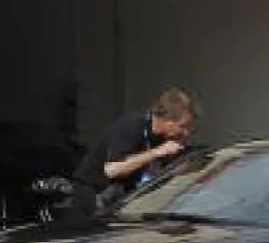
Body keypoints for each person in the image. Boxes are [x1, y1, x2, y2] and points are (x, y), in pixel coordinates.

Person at [70, 88, 198, 217]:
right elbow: (112, 170)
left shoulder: (162, 137)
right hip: (93, 194)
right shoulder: (132, 126)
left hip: (122, 196)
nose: (185, 132)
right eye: (182, 126)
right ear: (167, 120)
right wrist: (156, 152)